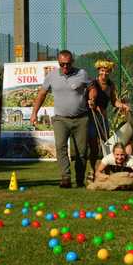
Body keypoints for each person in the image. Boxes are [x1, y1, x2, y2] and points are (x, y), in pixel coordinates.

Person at [30, 50, 92, 188]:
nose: (65, 67)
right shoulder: (51, 76)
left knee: (81, 152)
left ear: (72, 62)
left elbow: (92, 87)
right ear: (58, 62)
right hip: (60, 119)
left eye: (68, 64)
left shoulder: (82, 73)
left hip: (81, 118)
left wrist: (92, 98)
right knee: (60, 147)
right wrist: (34, 112)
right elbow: (42, 94)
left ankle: (80, 179)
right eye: (62, 64)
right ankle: (66, 177)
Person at [87, 59, 129, 177]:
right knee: (94, 146)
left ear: (110, 72)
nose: (104, 73)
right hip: (92, 118)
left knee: (106, 144)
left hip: (103, 118)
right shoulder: (93, 83)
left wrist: (122, 105)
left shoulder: (111, 85)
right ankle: (92, 169)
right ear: (98, 70)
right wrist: (92, 102)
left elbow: (114, 101)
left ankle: (106, 168)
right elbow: (92, 94)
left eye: (107, 71)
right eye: (102, 71)